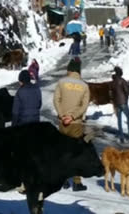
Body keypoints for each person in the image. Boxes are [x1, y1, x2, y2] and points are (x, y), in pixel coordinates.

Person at [53, 57, 90, 191]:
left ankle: (62, 180)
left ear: (69, 70)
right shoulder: (84, 86)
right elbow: (84, 105)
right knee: (76, 152)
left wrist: (63, 115)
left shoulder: (61, 82)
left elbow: (56, 100)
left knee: (62, 151)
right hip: (76, 123)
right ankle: (77, 182)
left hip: (63, 123)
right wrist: (72, 116)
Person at [110, 66, 129, 143]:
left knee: (119, 120)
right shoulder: (122, 81)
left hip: (117, 103)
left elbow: (111, 93)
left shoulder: (112, 82)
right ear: (120, 73)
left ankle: (121, 138)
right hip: (123, 103)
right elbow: (127, 91)